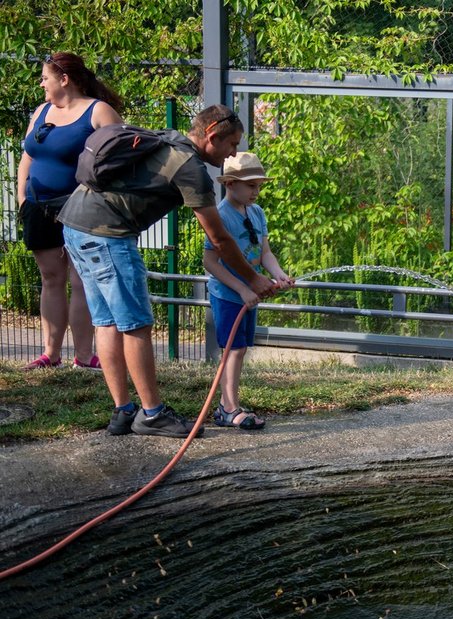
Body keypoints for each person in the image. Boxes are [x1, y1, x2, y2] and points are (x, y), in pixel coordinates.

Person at [58, 104, 278, 438]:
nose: (233, 153)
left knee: (107, 321)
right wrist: (253, 278)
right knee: (136, 324)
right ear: (212, 136)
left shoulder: (170, 139)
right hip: (108, 234)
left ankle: (123, 411)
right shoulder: (190, 167)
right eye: (232, 144)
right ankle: (152, 414)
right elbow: (219, 239)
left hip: (75, 225)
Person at [17, 52, 123, 371]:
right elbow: (27, 157)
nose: (41, 83)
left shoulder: (98, 111)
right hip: (38, 206)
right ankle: (50, 354)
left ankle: (84, 356)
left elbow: (122, 156)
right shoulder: (42, 111)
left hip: (81, 208)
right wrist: (22, 198)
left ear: (64, 80)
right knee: (51, 278)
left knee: (81, 280)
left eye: (45, 78)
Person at [202, 152, 294, 430]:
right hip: (229, 294)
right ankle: (229, 408)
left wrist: (278, 274)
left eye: (259, 186)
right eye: (251, 185)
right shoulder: (220, 216)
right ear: (230, 184)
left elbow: (264, 252)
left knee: (240, 350)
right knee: (234, 350)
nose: (256, 191)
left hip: (249, 294)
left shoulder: (256, 212)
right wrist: (243, 288)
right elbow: (210, 262)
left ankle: (227, 406)